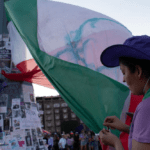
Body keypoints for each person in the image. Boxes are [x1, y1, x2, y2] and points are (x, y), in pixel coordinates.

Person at [99, 35, 150, 150]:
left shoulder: (146, 108)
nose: (123, 79)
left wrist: (115, 142)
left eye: (123, 72)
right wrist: (128, 128)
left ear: (138, 71)